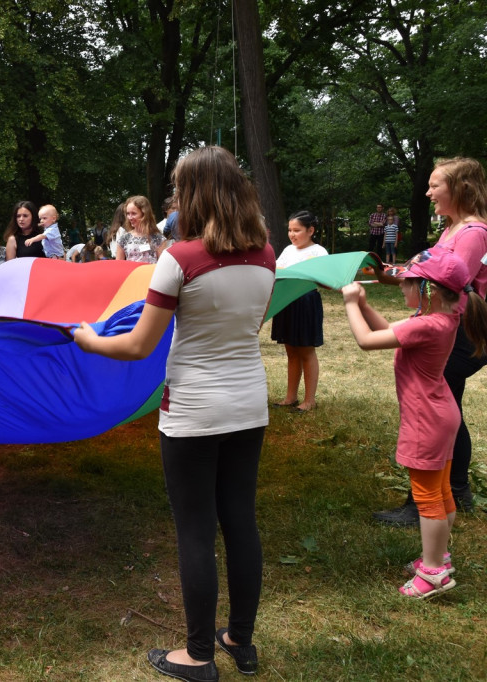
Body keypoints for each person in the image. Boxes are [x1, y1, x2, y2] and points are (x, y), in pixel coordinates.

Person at [74, 147, 274, 681]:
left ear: (194, 194)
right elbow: (248, 327)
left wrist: (90, 341)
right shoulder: (265, 254)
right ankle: (240, 640)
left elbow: (139, 345)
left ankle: (198, 655)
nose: (173, 198)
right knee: (240, 521)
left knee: (195, 530)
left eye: (179, 189)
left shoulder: (180, 258)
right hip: (249, 404)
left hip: (193, 410)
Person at [342, 249, 487, 597]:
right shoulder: (443, 317)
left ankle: (433, 573)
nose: (402, 287)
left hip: (426, 419)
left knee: (427, 496)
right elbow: (390, 331)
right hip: (441, 413)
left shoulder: (428, 324)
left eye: (408, 282)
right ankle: (438, 556)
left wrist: (350, 303)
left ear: (429, 289)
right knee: (441, 491)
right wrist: (364, 306)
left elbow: (366, 341)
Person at [375, 157, 487, 526]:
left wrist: (423, 321)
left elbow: (448, 285)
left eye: (435, 185)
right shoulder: (453, 229)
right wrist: (389, 272)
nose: (428, 192)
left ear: (460, 189)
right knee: (445, 404)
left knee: (435, 407)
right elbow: (428, 271)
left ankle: (428, 501)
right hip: (450, 327)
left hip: (461, 331)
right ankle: (454, 491)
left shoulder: (473, 233)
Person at [270, 211, 328, 412]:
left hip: (306, 303)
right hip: (286, 302)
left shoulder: (319, 252)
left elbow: (325, 280)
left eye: (297, 230)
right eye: (290, 230)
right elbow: (277, 271)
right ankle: (290, 397)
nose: (292, 234)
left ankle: (309, 400)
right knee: (291, 351)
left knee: (306, 350)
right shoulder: (288, 250)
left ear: (310, 231)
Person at [115, 195, 165, 264]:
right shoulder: (124, 239)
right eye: (128, 213)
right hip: (132, 271)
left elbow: (163, 265)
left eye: (133, 213)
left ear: (144, 214)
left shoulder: (158, 238)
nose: (130, 217)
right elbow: (118, 265)